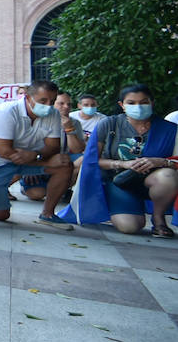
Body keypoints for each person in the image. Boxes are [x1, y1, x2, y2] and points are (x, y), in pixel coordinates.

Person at [0, 80, 75, 229]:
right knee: (1, 215)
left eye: (52, 101)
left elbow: (53, 147)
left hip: (26, 160)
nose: (47, 105)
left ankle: (48, 214)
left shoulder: (53, 114)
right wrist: (38, 159)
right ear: (27, 97)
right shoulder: (6, 112)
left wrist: (34, 154)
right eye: (42, 101)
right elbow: (6, 152)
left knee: (64, 163)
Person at [72, 84, 178, 237]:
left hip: (153, 179)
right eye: (131, 103)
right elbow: (91, 160)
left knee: (168, 176)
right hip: (118, 180)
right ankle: (112, 205)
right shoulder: (109, 124)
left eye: (144, 102)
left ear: (152, 103)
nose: (139, 107)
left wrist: (160, 161)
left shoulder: (170, 129)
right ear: (122, 105)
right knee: (130, 227)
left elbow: (176, 161)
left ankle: (158, 218)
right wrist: (122, 164)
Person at [21, 90, 85, 198]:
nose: (66, 107)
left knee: (84, 159)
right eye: (61, 103)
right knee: (37, 195)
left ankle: (61, 190)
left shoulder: (74, 122)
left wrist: (69, 129)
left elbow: (77, 150)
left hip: (63, 160)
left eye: (69, 104)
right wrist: (28, 167)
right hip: (40, 161)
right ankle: (5, 188)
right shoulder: (39, 119)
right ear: (52, 104)